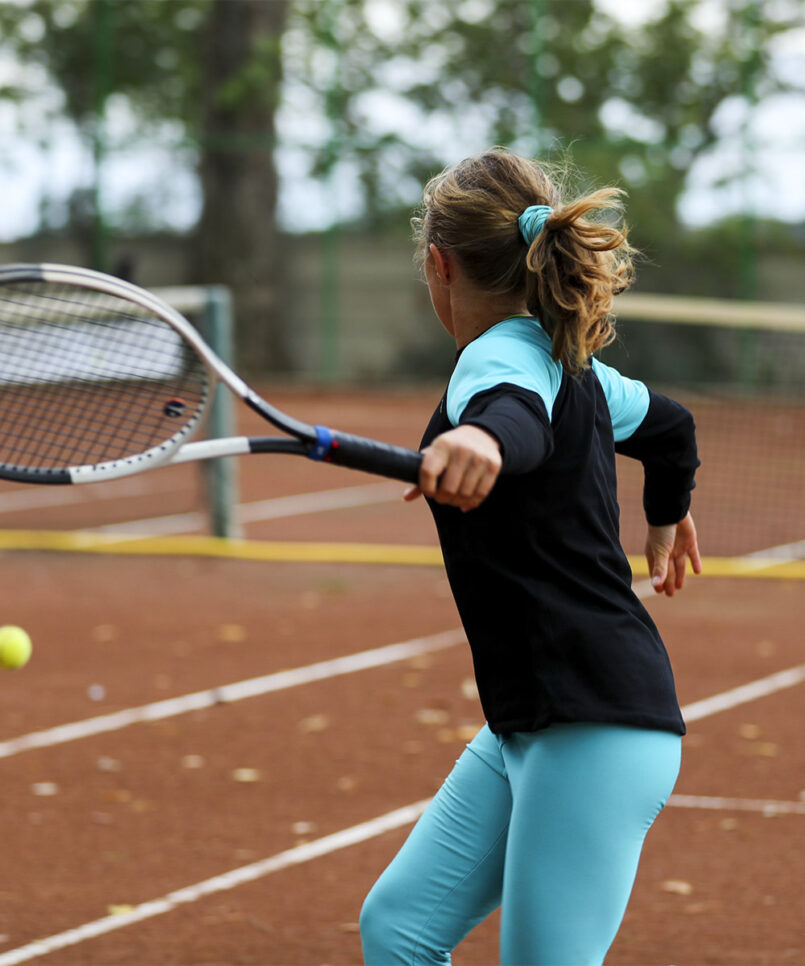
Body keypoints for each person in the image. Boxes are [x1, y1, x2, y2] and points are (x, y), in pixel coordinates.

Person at [359, 149, 702, 966]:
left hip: (592, 722)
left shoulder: (504, 360)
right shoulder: (566, 362)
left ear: (439, 266)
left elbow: (511, 415)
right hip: (539, 720)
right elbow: (671, 427)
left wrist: (478, 436)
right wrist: (668, 512)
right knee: (399, 930)